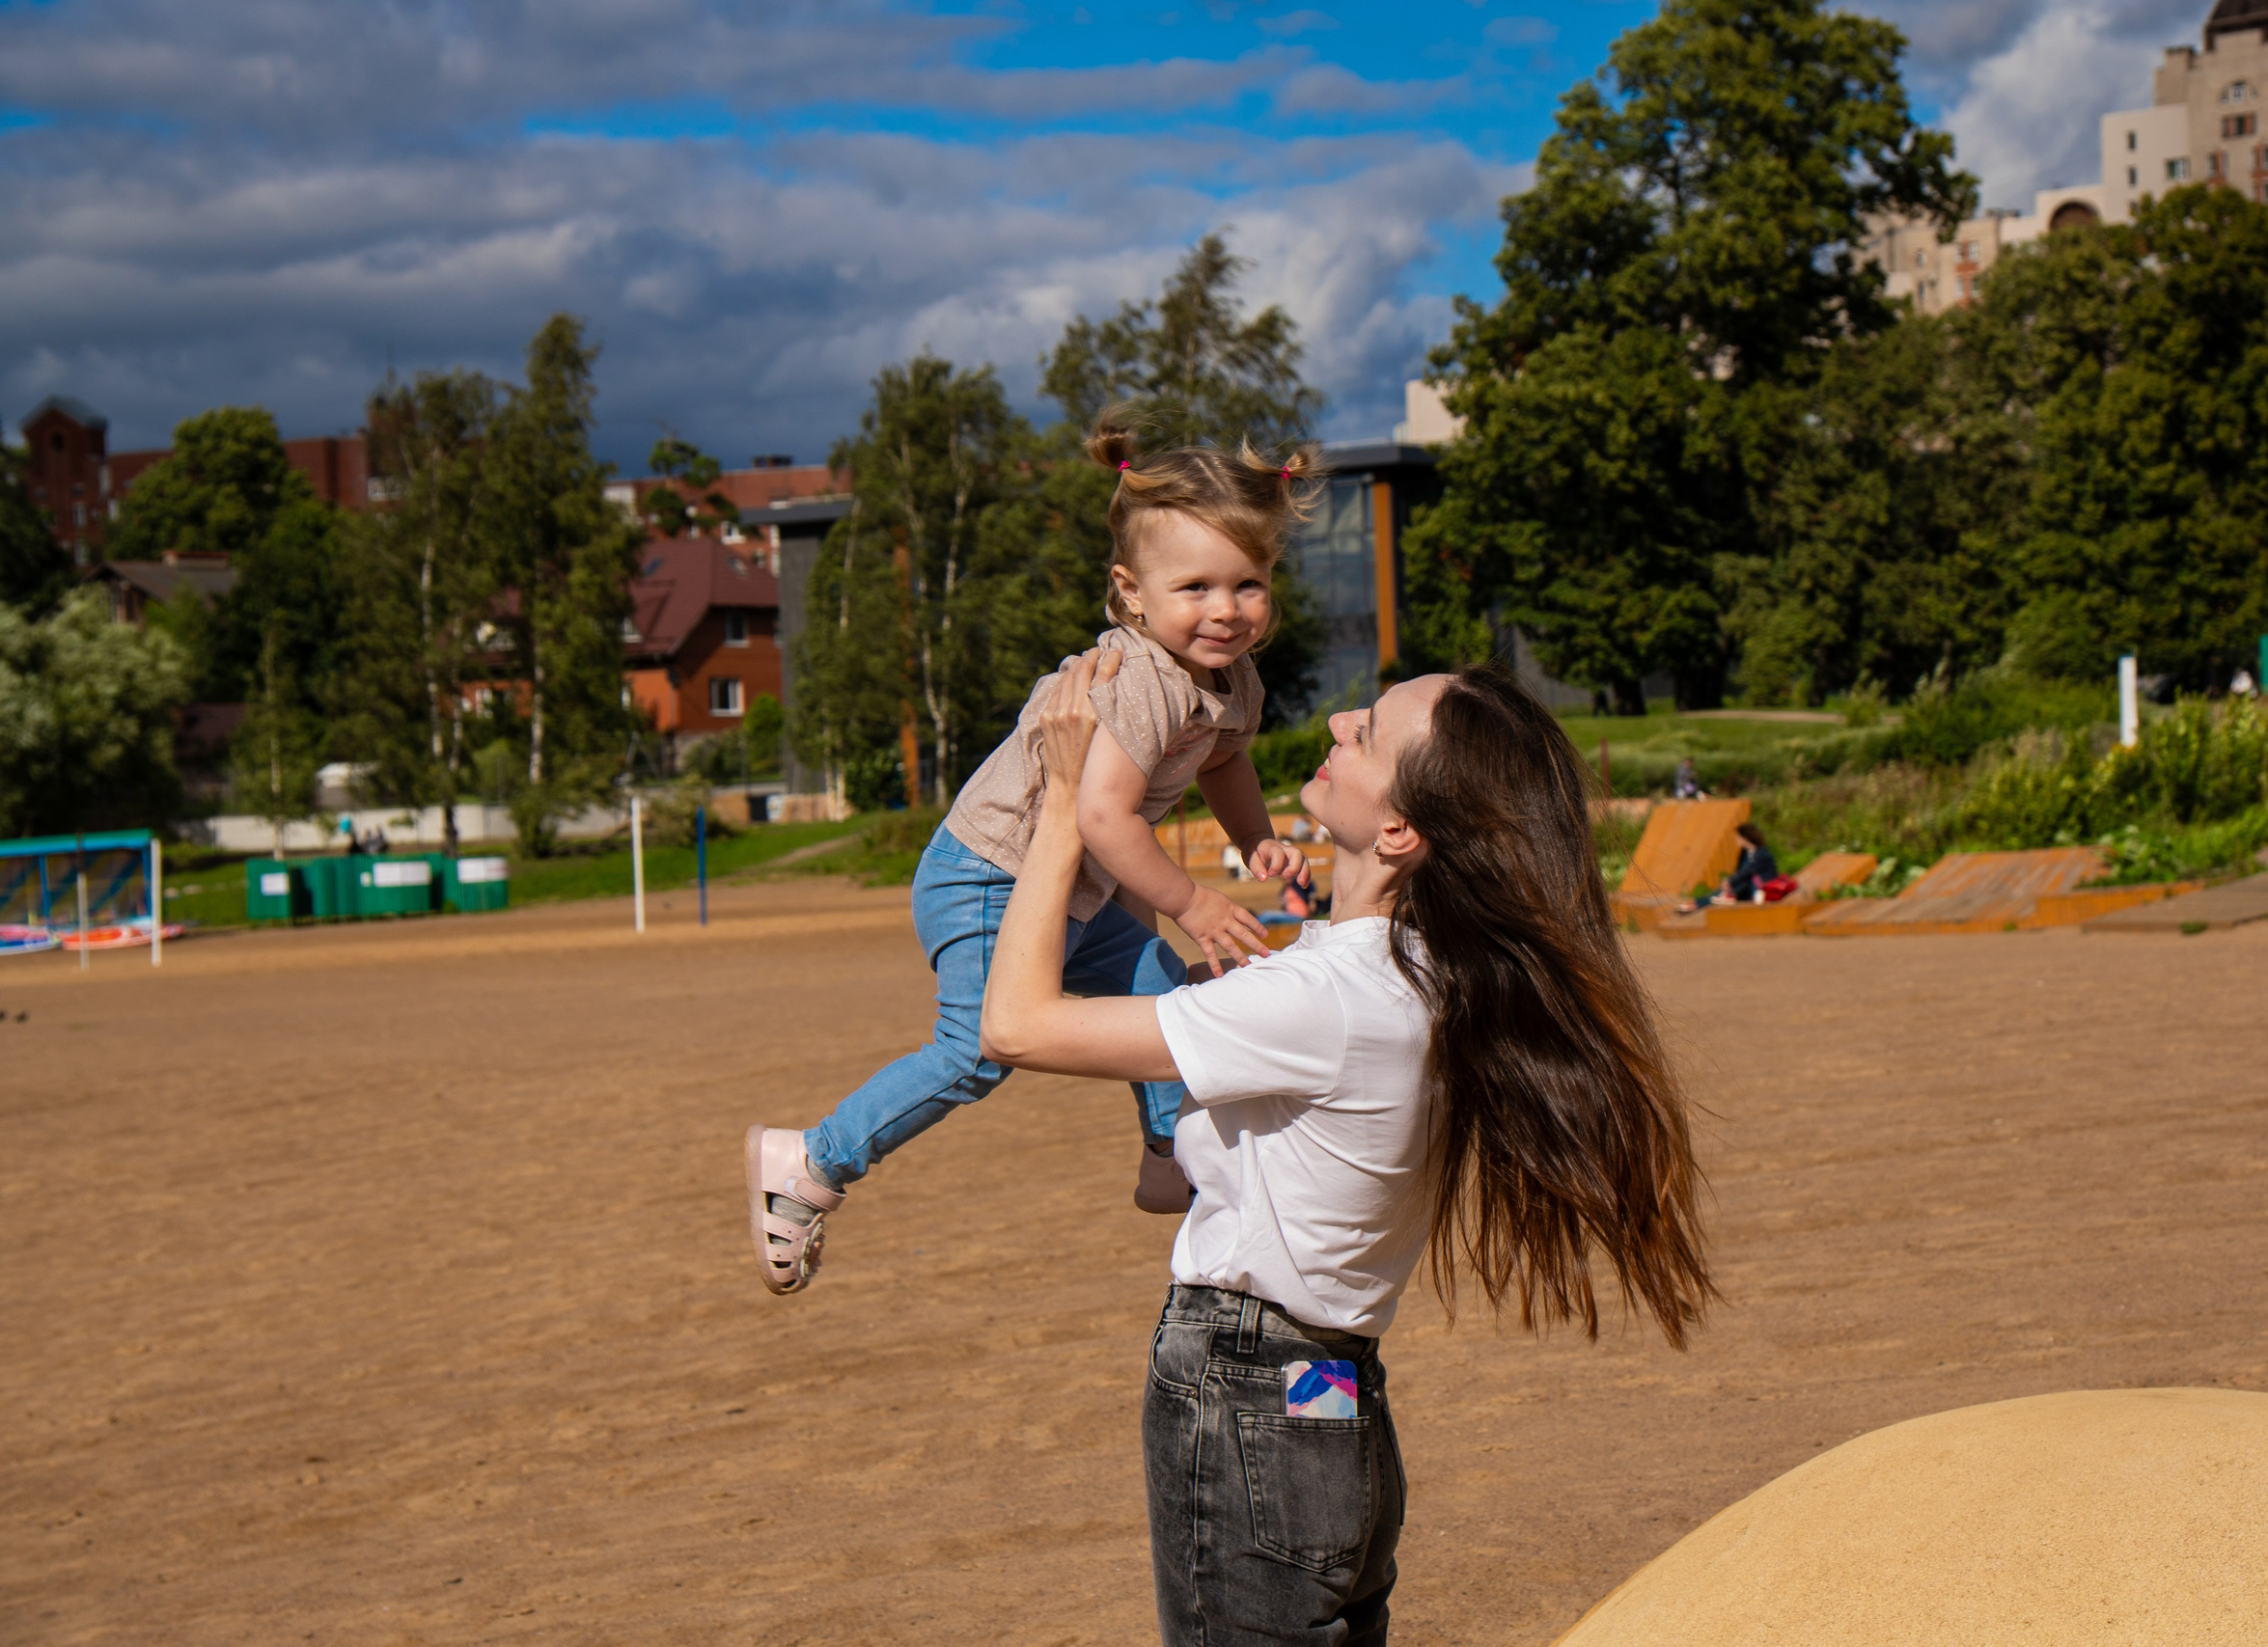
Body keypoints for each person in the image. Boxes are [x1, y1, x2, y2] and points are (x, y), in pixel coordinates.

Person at [976, 651, 1711, 1644]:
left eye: (1364, 733)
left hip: (1248, 1388)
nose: (1333, 727)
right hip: (1328, 1398)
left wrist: (1067, 807)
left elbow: (1015, 1025)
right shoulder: (1427, 979)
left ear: (1400, 830)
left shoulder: (1319, 1001)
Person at [740, 420, 1318, 1294]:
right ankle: (811, 1160)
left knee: (1159, 994)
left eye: (1249, 584)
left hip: (1070, 892)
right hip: (987, 874)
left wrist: (1255, 839)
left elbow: (1225, 759)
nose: (1226, 609)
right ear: (1130, 592)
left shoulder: (1231, 681)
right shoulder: (1140, 682)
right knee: (979, 1050)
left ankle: (1169, 1157)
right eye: (1195, 585)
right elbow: (1106, 818)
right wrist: (1198, 902)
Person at [1704, 822, 1778, 906]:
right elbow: (1743, 872)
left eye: (1738, 837)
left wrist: (1730, 881)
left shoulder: (1761, 854)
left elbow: (1748, 871)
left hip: (1763, 889)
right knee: (1722, 891)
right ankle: (1724, 895)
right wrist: (1731, 881)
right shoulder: (1748, 853)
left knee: (1741, 880)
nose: (1736, 839)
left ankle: (1727, 895)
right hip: (1752, 887)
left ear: (1745, 838)